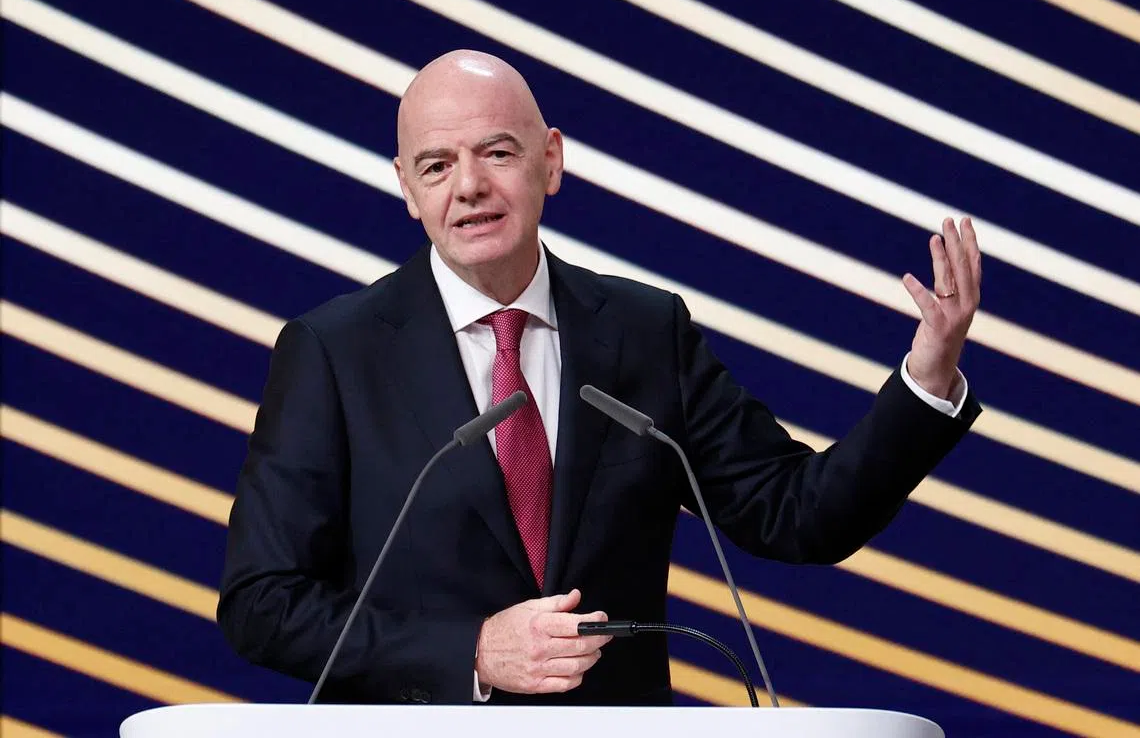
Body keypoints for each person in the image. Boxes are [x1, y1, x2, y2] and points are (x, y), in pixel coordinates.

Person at [217, 50, 982, 706]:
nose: (470, 187)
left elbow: (798, 515)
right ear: (407, 189)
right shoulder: (335, 352)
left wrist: (928, 373)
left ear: (550, 159)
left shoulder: (646, 333)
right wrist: (473, 653)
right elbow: (262, 602)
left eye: (497, 152)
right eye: (437, 166)